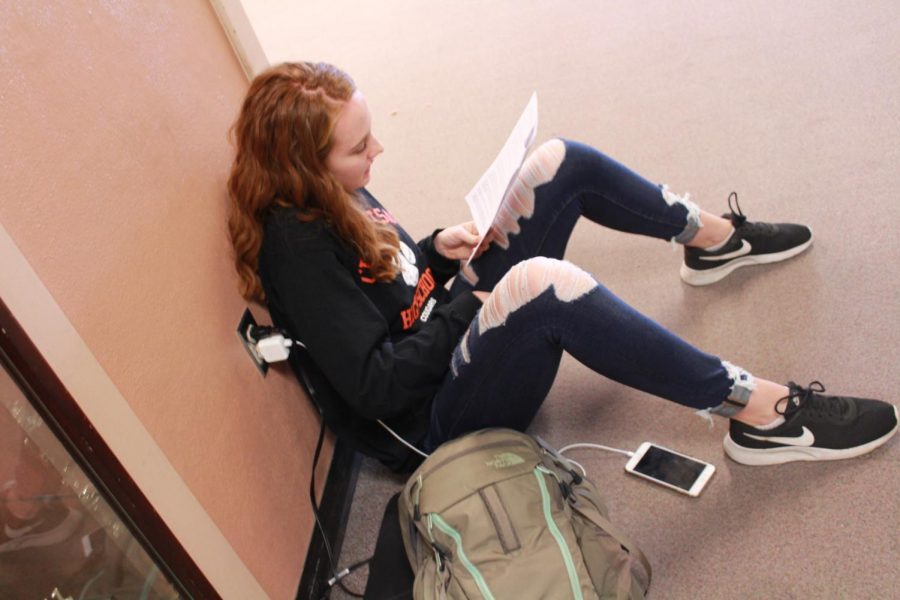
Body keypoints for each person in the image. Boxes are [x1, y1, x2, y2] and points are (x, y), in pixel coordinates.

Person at [227, 62, 897, 473]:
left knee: (557, 162)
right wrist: (473, 299)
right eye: (358, 147)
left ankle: (713, 239)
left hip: (452, 327)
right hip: (436, 421)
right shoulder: (299, 250)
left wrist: (436, 248)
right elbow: (378, 388)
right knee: (544, 285)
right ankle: (763, 414)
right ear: (306, 166)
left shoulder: (331, 189)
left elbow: (384, 279)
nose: (379, 148)